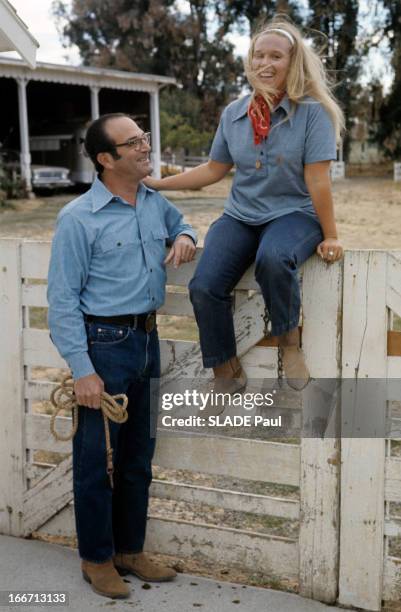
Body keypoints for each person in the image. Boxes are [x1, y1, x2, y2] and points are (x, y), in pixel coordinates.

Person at [144, 17, 344, 394]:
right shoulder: (233, 114)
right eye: (258, 56)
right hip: (240, 216)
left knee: (273, 258)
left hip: (294, 215)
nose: (265, 64)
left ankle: (289, 342)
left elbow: (318, 179)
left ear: (294, 62)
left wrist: (331, 234)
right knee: (204, 285)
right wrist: (160, 182)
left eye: (276, 56)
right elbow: (214, 169)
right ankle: (225, 368)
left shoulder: (312, 114)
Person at [47, 113, 196, 599]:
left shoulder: (154, 202)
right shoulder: (77, 219)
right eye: (133, 142)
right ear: (106, 159)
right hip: (104, 346)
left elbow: (183, 222)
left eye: (144, 137)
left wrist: (186, 236)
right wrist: (83, 370)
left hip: (148, 340)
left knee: (138, 458)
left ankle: (130, 549)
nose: (145, 146)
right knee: (96, 460)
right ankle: (96, 558)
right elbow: (63, 301)